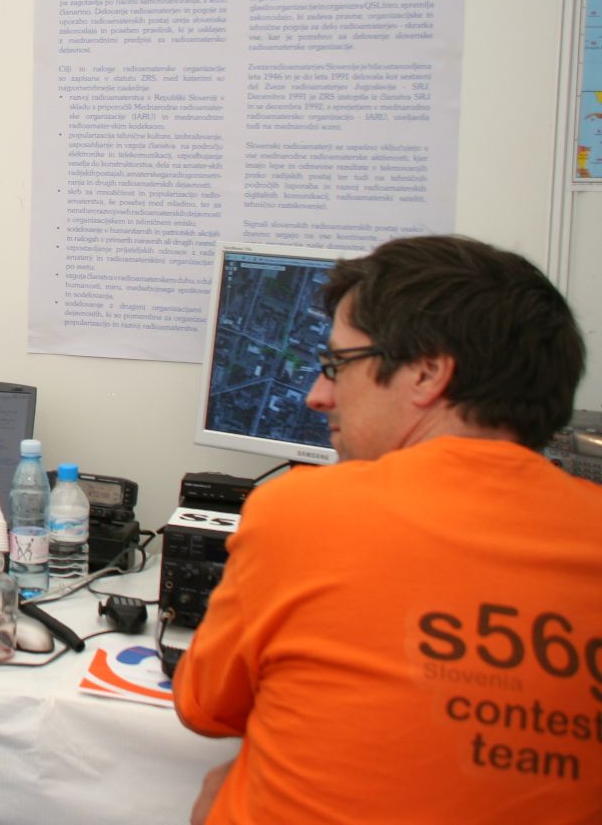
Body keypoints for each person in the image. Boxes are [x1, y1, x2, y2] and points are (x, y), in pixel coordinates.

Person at [174, 235, 602, 823]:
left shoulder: (300, 511)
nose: (316, 395)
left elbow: (205, 709)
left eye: (336, 365)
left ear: (426, 373)